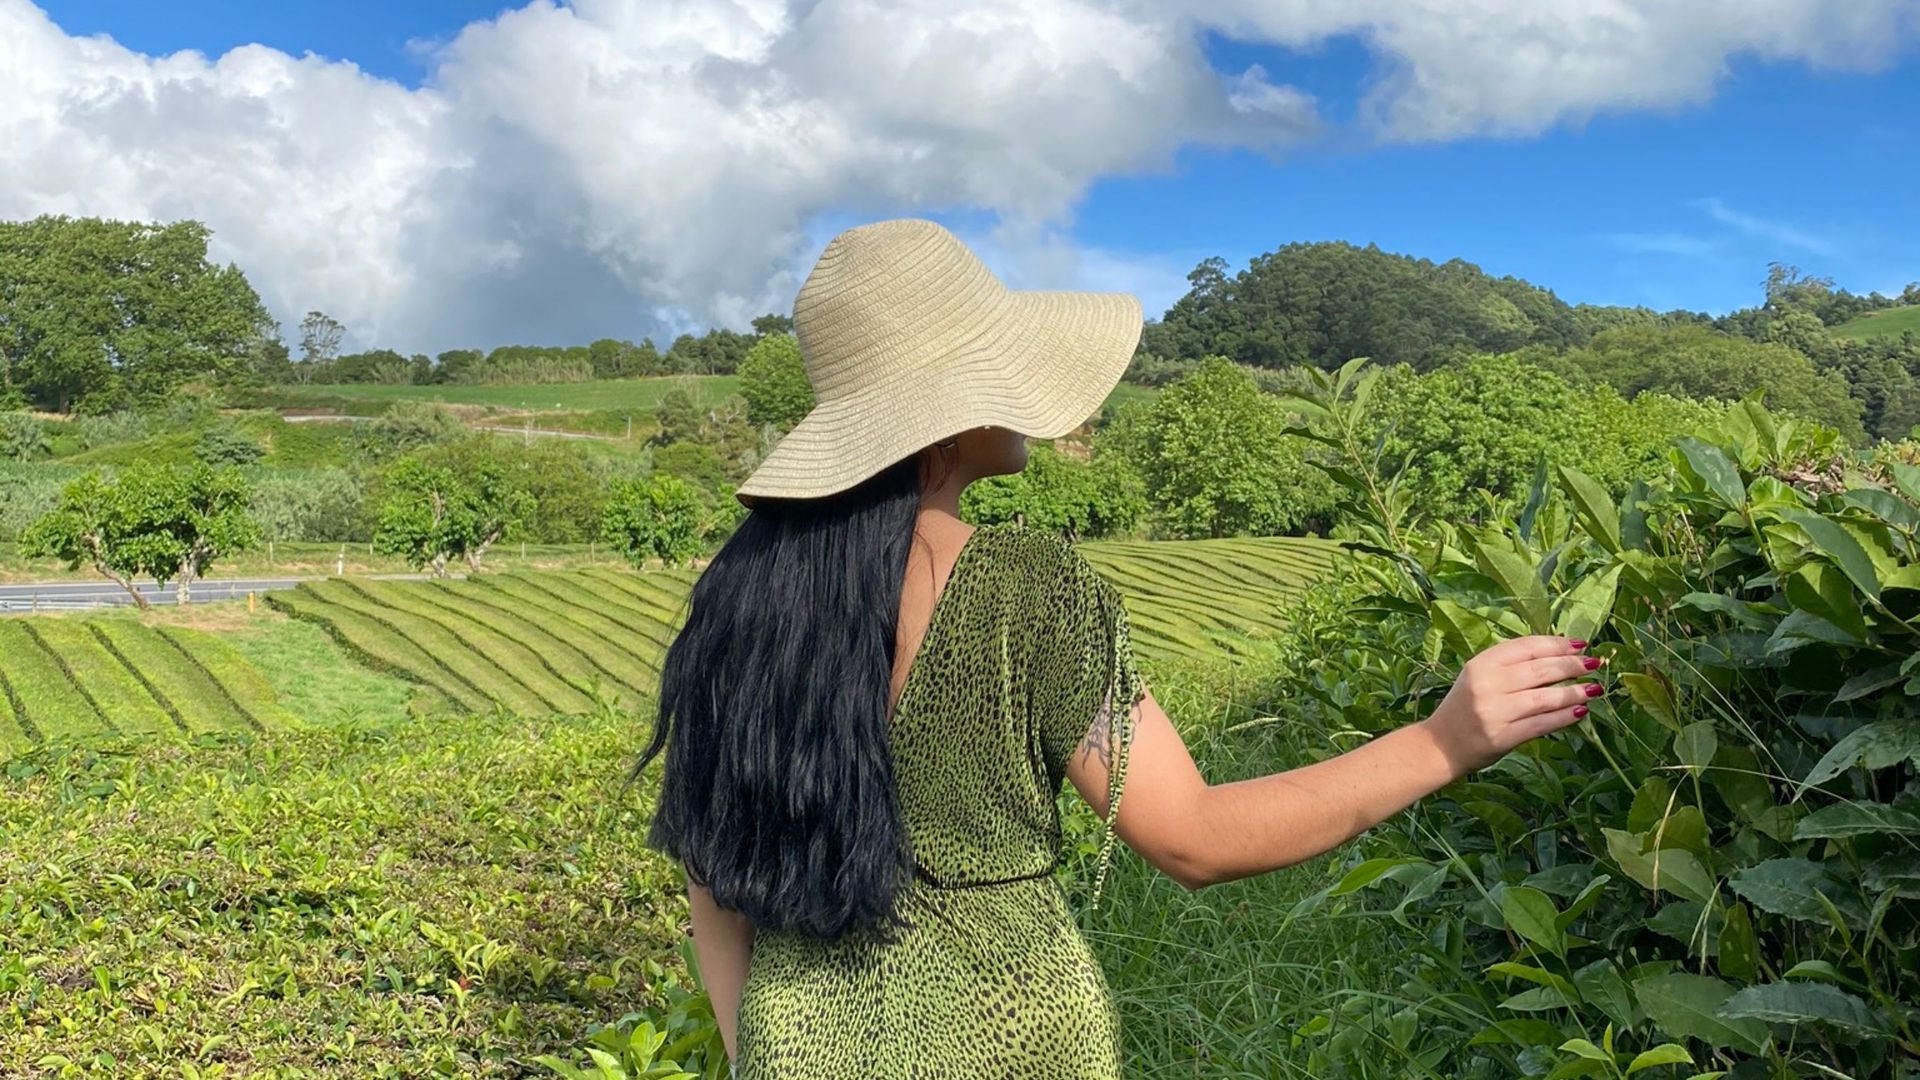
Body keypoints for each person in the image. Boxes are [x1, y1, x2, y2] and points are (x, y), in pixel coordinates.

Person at [629, 219, 1604, 1078]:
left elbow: (712, 878)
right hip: (1007, 1040)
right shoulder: (1027, 591)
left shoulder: (738, 601)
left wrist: (764, 1050)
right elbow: (1194, 839)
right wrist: (1445, 742)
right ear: (953, 408)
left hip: (798, 1046)